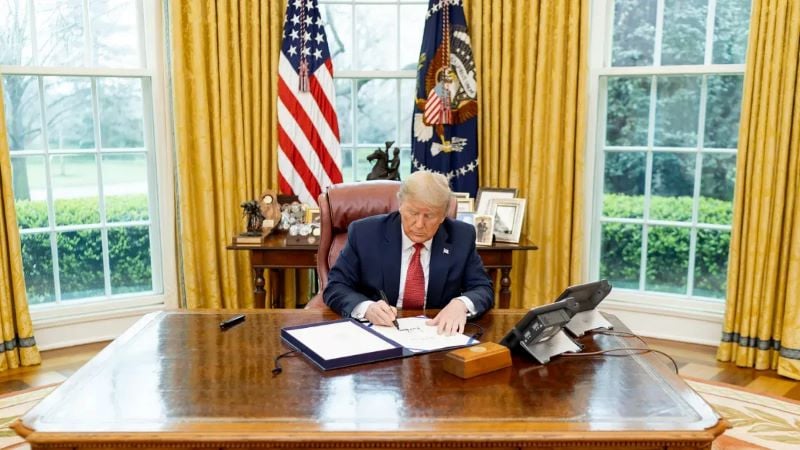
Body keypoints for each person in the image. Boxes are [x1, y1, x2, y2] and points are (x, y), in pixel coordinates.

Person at [324, 171, 494, 335]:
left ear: (443, 215)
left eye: (429, 216)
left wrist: (461, 304)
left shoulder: (461, 237)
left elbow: (483, 288)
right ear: (401, 205)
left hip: (436, 332)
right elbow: (336, 286)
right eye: (413, 213)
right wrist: (367, 308)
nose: (419, 224)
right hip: (379, 332)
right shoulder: (365, 233)